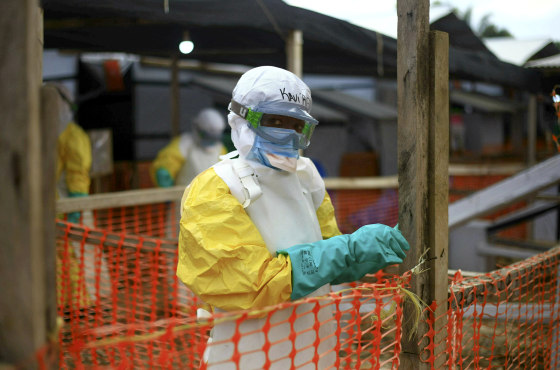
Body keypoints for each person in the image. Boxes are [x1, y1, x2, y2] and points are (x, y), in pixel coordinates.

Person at [176, 66, 410, 369]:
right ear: (241, 119)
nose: (288, 134)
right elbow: (253, 287)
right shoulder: (214, 188)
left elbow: (330, 250)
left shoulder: (306, 175)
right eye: (275, 121)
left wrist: (366, 252)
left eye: (297, 125)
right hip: (248, 356)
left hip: (315, 347)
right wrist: (347, 250)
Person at [150, 108, 227, 188]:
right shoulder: (184, 143)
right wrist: (165, 179)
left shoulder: (220, 149)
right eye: (206, 136)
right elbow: (165, 167)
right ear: (197, 128)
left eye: (214, 137)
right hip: (183, 198)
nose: (210, 140)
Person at [53, 83, 92, 224]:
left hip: (62, 206)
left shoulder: (72, 136)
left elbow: (77, 175)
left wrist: (76, 208)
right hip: (59, 206)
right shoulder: (71, 136)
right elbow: (77, 175)